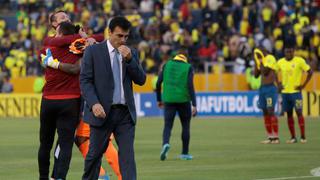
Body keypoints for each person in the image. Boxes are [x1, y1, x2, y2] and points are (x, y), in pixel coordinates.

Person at [80, 16, 146, 180]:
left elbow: (141, 80)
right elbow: (85, 81)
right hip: (102, 113)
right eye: (119, 36)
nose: (123, 40)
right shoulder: (93, 51)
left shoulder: (131, 53)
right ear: (110, 33)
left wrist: (130, 60)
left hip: (124, 114)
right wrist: (94, 103)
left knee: (127, 157)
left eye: (126, 36)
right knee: (94, 156)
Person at [155, 50, 197, 161]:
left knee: (167, 125)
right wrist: (194, 104)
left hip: (168, 100)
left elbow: (158, 83)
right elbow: (190, 86)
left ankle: (165, 144)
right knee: (185, 126)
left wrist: (159, 99)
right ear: (185, 58)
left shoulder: (166, 65)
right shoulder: (188, 67)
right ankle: (184, 153)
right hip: (183, 100)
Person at [277, 43, 313, 144]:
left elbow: (310, 72)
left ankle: (303, 136)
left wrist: (303, 85)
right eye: (287, 51)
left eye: (290, 51)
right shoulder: (280, 62)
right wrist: (278, 84)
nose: (289, 53)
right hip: (285, 93)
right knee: (288, 115)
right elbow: (273, 71)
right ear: (284, 52)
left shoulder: (299, 61)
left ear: (294, 51)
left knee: (299, 112)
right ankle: (293, 137)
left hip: (296, 93)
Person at [253, 47, 280, 144]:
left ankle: (276, 137)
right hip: (262, 88)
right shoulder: (260, 61)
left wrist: (260, 62)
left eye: (259, 53)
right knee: (264, 111)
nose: (258, 55)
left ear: (264, 51)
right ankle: (270, 137)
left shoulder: (270, 58)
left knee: (270, 111)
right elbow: (256, 75)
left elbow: (265, 71)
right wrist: (256, 62)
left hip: (270, 88)